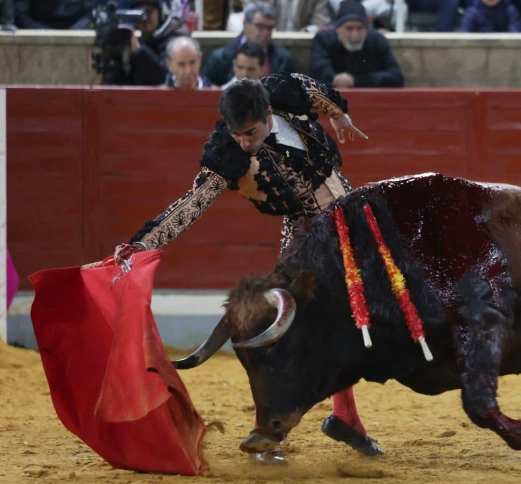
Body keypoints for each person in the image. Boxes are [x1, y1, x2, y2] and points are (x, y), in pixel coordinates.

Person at [113, 73, 381, 464]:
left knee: (352, 322)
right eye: (237, 133)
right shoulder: (227, 151)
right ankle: (272, 430)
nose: (243, 141)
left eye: (251, 132)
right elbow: (192, 204)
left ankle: (344, 417)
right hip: (307, 236)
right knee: (304, 330)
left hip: (350, 220)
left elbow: (314, 90)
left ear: (269, 112)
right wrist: (142, 244)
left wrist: (338, 113)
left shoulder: (283, 93)